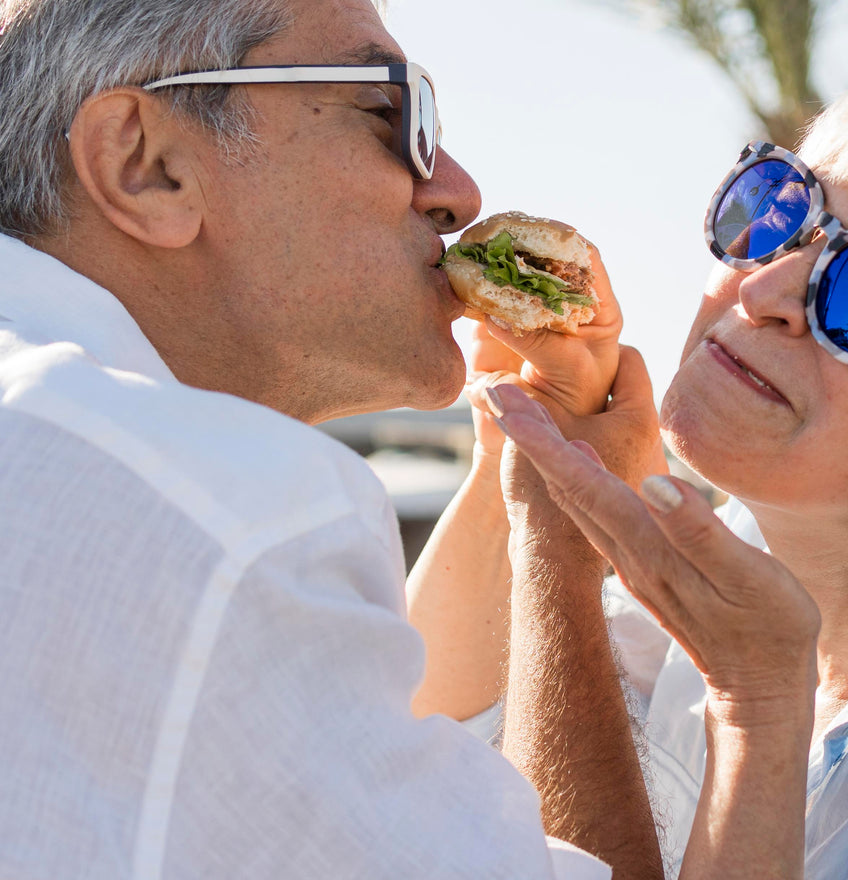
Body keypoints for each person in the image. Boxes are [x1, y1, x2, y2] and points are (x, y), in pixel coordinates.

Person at [0, 0, 665, 877]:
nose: (456, 191)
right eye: (391, 111)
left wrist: (530, 471)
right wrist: (756, 706)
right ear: (146, 165)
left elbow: (366, 758)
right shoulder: (220, 505)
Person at [410, 40, 848, 878]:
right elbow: (422, 743)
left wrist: (757, 717)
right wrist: (524, 443)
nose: (764, 291)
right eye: (779, 211)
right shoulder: (717, 569)